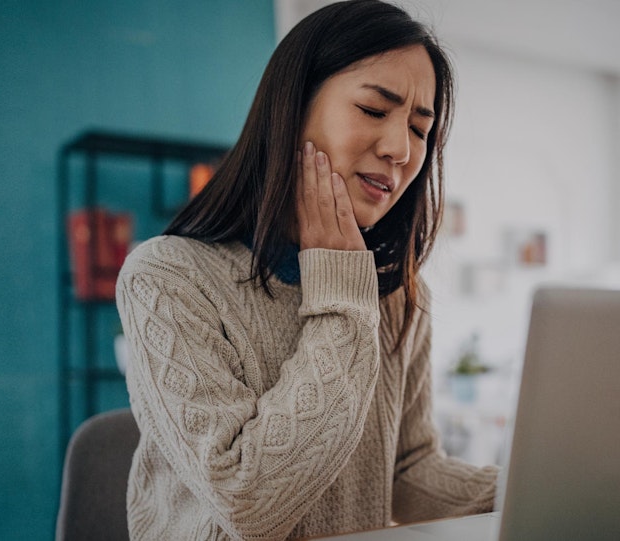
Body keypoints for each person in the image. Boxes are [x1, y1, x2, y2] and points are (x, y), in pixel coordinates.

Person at [114, 1, 498, 539]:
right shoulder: (166, 278)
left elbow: (407, 472)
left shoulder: (399, 296)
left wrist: (537, 487)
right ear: (292, 109)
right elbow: (250, 504)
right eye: (372, 110)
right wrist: (341, 295)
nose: (400, 150)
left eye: (419, 128)